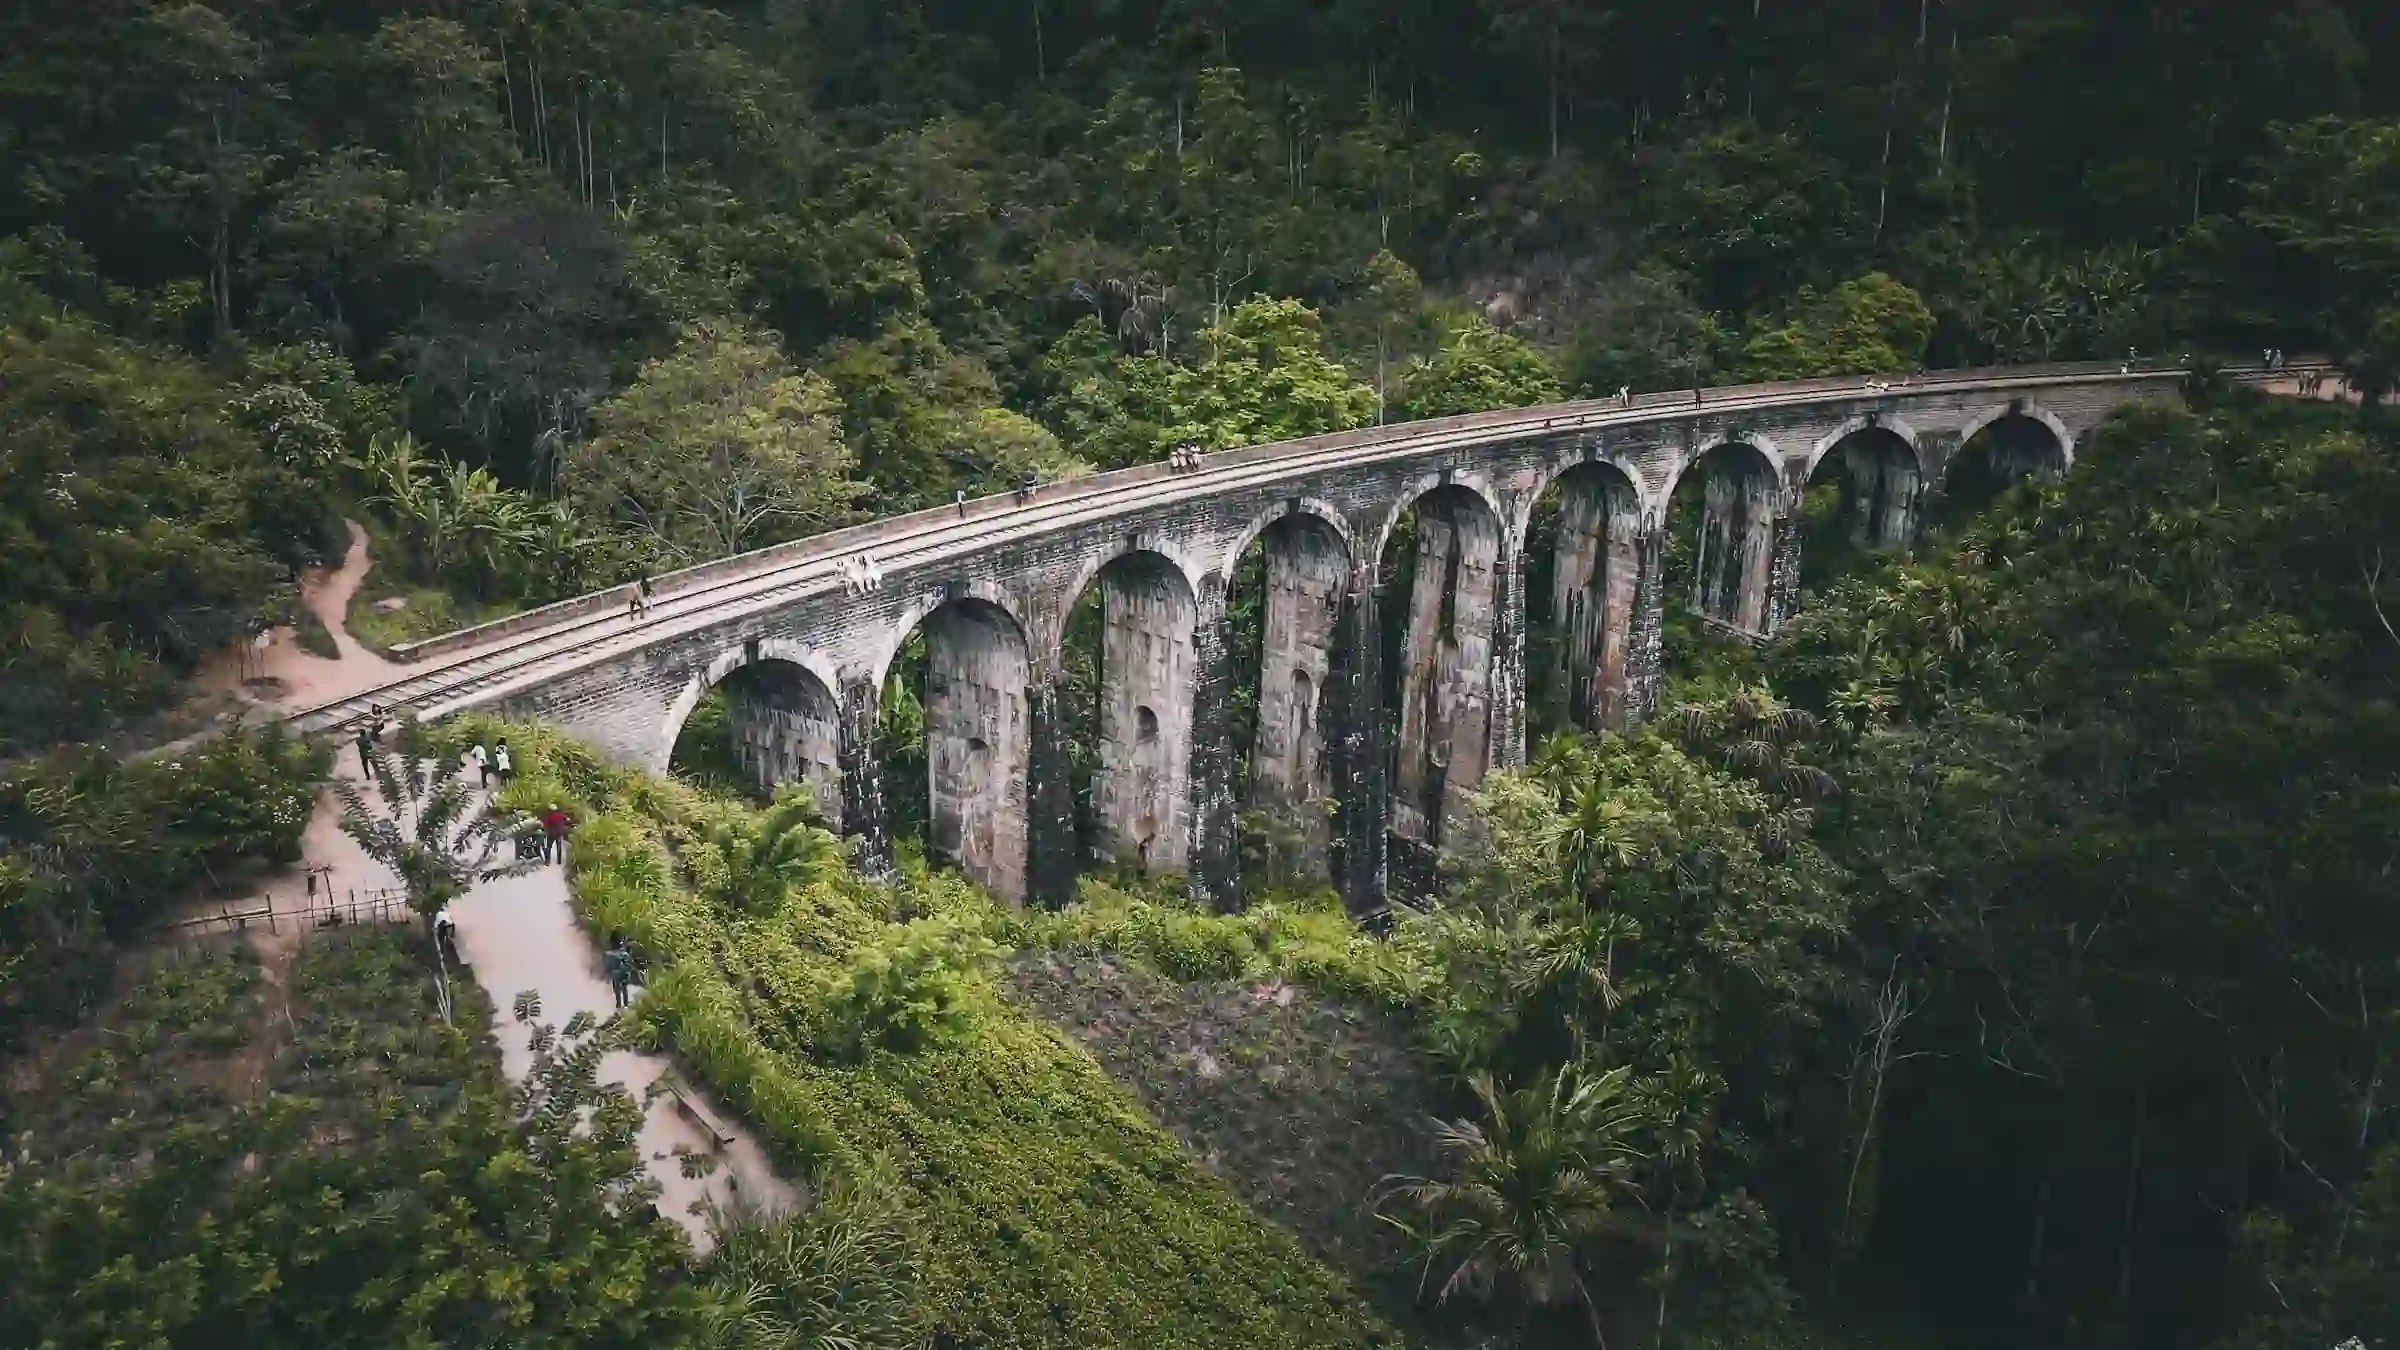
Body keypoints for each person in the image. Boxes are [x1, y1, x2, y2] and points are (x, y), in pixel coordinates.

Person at [604, 934, 635, 1010]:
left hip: (616, 973)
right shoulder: (624, 953)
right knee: (624, 988)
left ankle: (619, 1006)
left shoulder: (609, 954)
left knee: (617, 990)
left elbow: (608, 966)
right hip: (624, 971)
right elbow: (629, 962)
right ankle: (625, 1005)